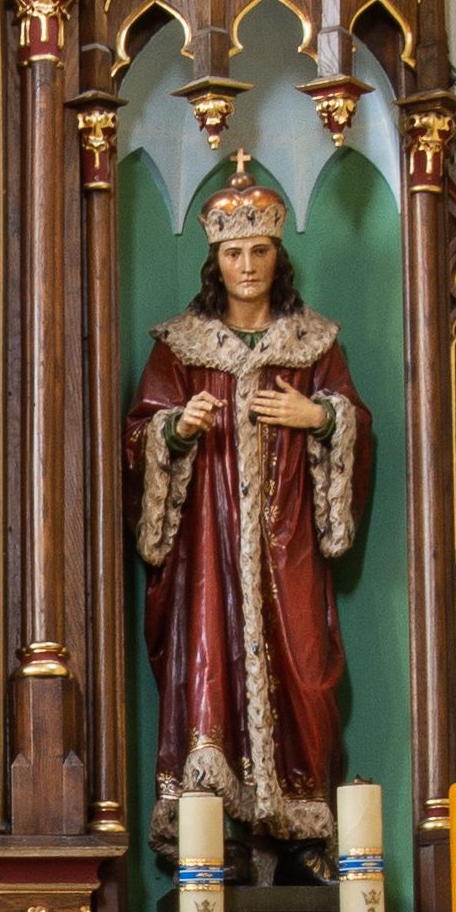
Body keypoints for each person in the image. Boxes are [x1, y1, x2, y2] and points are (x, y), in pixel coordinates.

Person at [125, 164, 369, 868]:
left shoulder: (315, 345)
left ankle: (299, 829)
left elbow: (355, 424)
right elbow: (138, 435)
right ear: (216, 262)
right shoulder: (180, 347)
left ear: (277, 255)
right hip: (210, 549)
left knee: (306, 667)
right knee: (210, 667)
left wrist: (319, 416)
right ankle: (216, 838)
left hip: (289, 545)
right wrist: (176, 429)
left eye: (260, 250)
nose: (248, 266)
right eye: (234, 253)